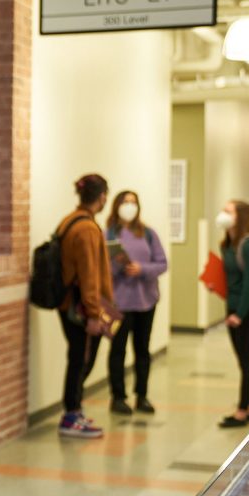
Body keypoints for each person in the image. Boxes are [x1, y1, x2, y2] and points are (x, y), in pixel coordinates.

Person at [56, 174, 114, 439]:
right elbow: (89, 275)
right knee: (81, 360)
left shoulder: (69, 221)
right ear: (101, 197)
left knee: (78, 357)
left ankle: (75, 412)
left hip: (69, 303)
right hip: (80, 308)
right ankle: (71, 415)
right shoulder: (88, 228)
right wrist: (94, 313)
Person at [105, 190, 167, 415]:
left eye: (133, 202)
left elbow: (162, 263)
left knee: (142, 350)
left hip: (145, 302)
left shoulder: (148, 234)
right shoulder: (108, 234)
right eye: (125, 202)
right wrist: (119, 266)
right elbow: (102, 267)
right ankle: (118, 397)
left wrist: (142, 269)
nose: (129, 206)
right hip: (119, 304)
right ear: (116, 205)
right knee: (118, 351)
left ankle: (142, 395)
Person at [217, 200, 249, 427]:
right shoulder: (227, 244)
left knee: (245, 360)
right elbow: (231, 279)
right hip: (232, 307)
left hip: (247, 310)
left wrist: (240, 314)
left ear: (240, 216)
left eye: (228, 211)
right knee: (243, 360)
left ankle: (242, 411)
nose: (223, 214)